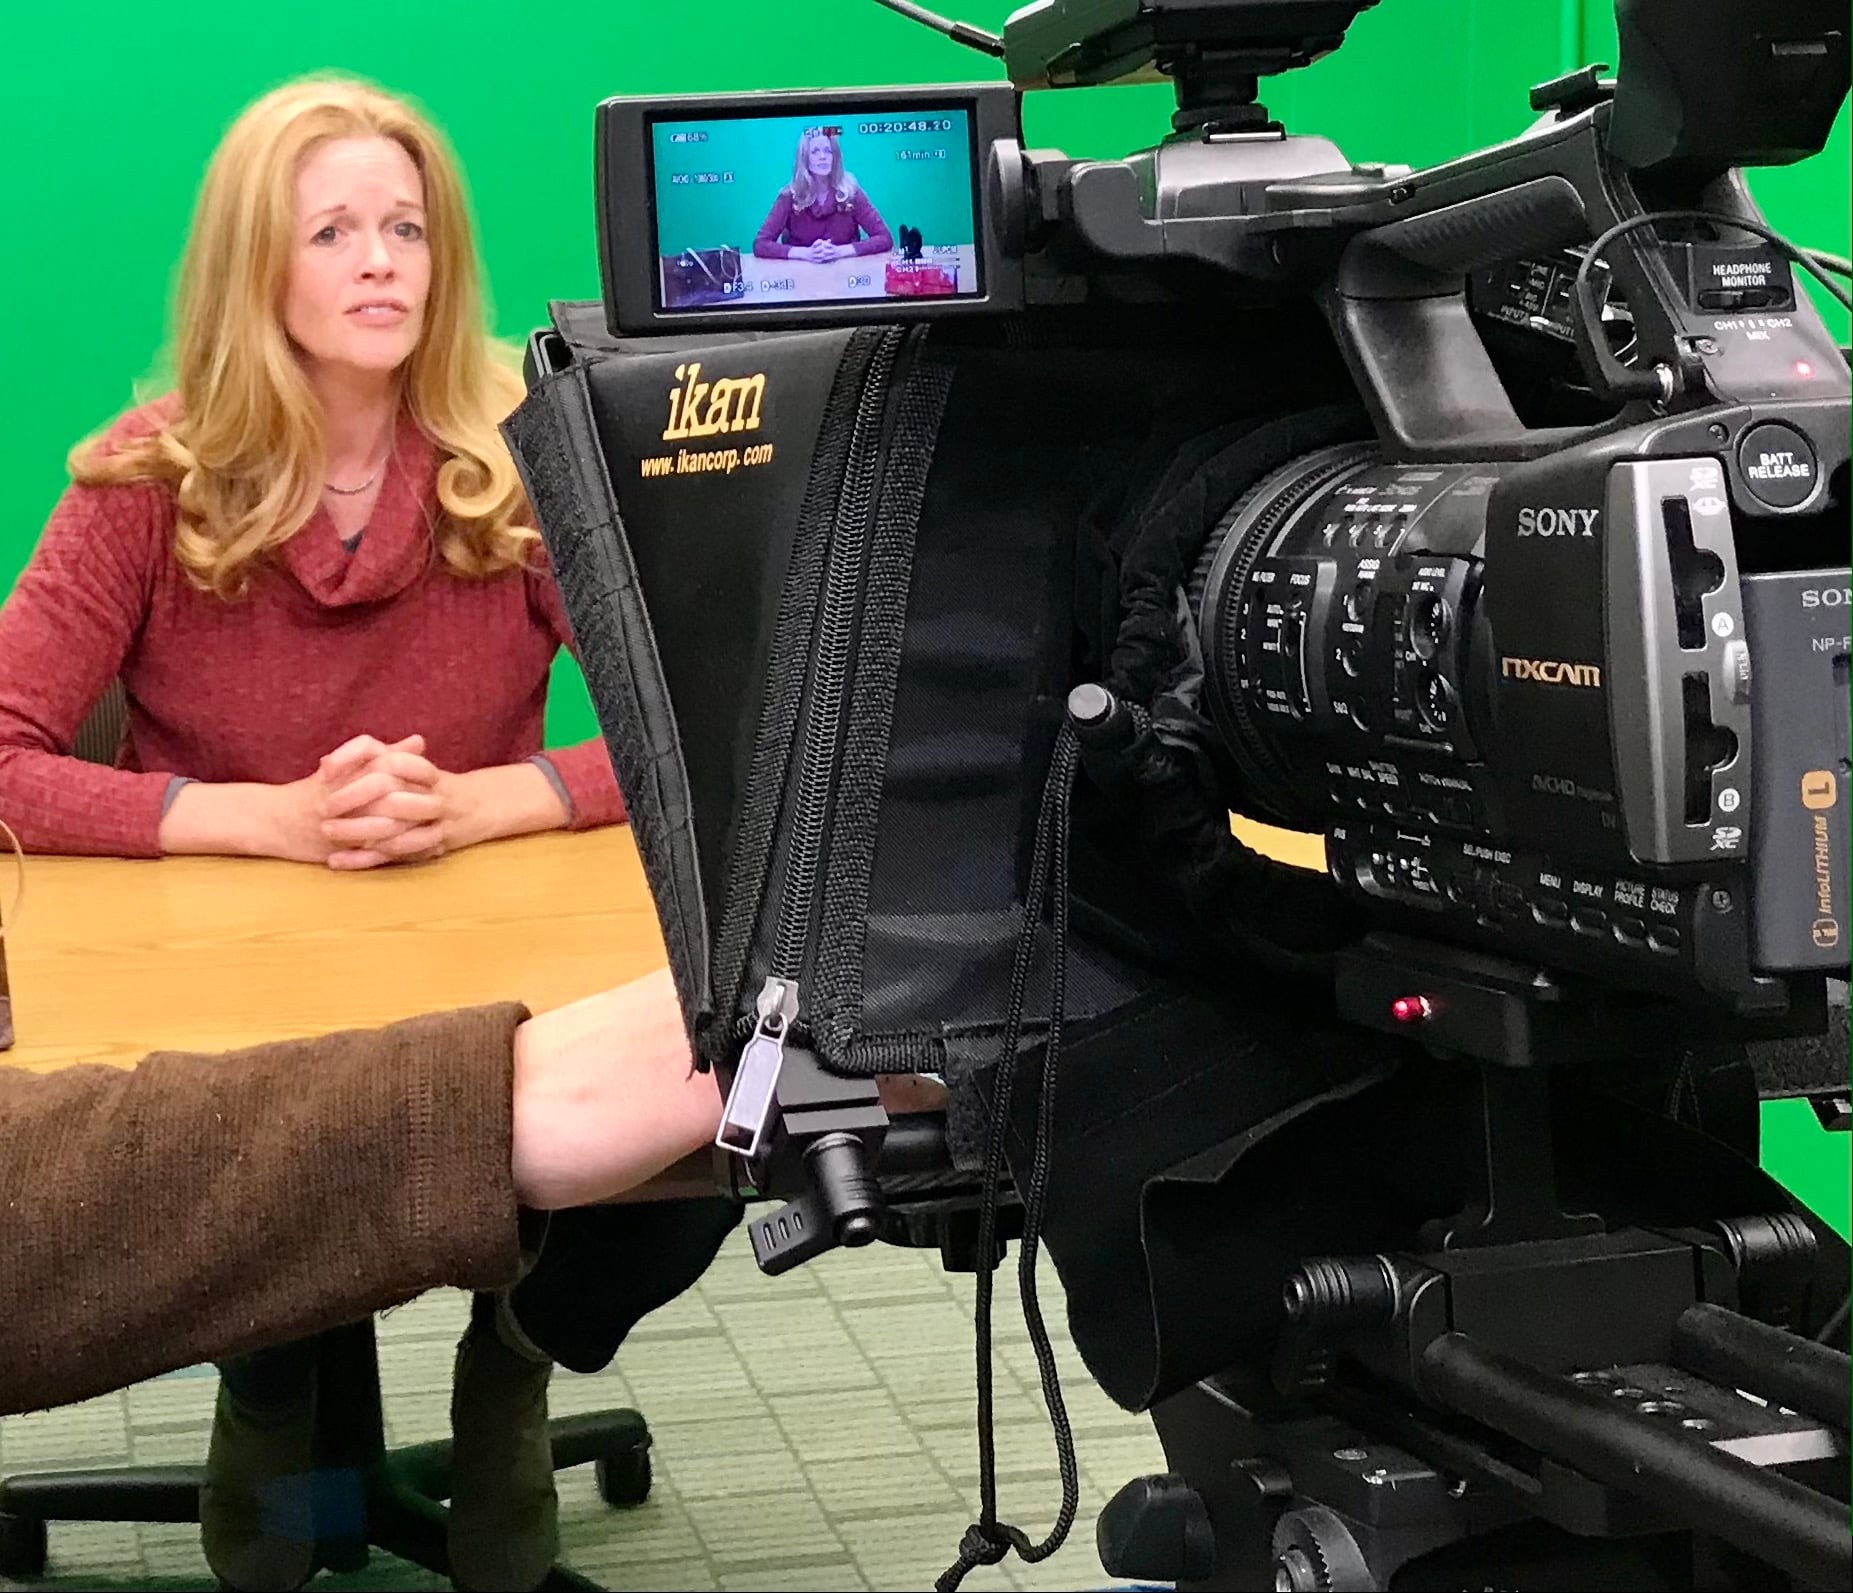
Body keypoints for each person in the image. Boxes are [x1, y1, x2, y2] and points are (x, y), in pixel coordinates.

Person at [0, 75, 643, 1591]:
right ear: (256, 267)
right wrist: (265, 820)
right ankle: (270, 1388)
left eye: (406, 229)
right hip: (231, 985)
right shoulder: (145, 481)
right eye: (333, 232)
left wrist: (491, 796)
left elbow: (708, 721)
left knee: (699, 1080)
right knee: (255, 1161)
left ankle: (516, 1361)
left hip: (474, 957)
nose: (380, 263)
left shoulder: (523, 456)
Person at [752, 126, 892, 263]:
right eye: (815, 152)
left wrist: (839, 252)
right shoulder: (790, 195)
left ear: (835, 157)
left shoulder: (851, 192)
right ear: (804, 158)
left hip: (845, 273)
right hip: (801, 273)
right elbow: (760, 244)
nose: (823, 157)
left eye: (828, 151)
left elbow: (884, 238)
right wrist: (805, 253)